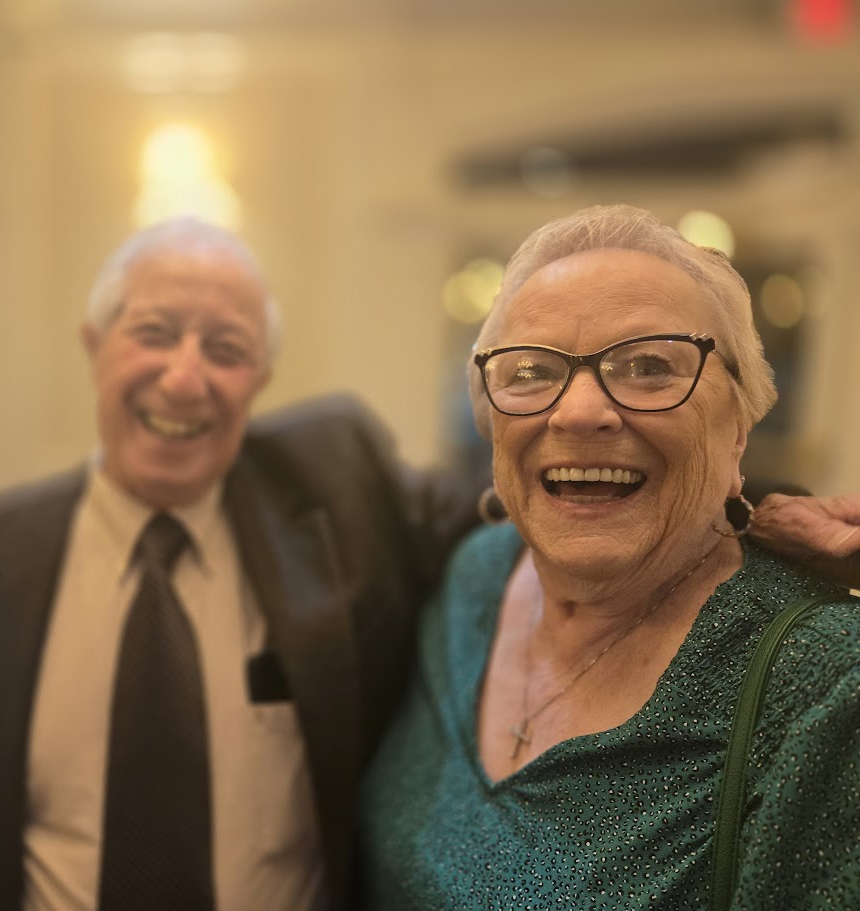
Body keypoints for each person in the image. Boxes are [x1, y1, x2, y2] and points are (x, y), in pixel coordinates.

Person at [0, 215, 859, 911]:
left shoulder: (336, 485)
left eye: (224, 345)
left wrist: (763, 506)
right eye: (153, 331)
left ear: (260, 380)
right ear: (96, 347)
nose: (185, 373)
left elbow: (594, 487)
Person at [359, 204, 860, 908]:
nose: (578, 412)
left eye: (649, 366)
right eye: (532, 371)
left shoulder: (826, 687)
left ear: (738, 423)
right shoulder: (475, 575)